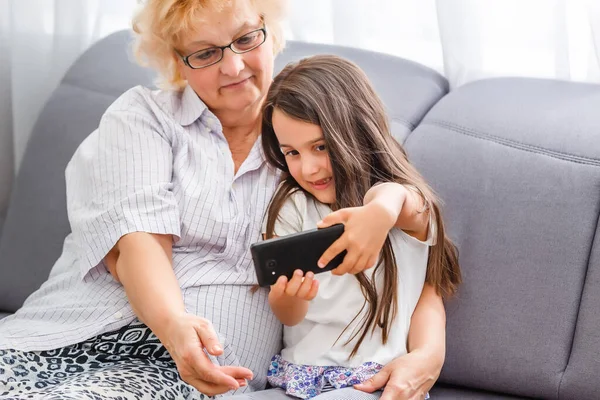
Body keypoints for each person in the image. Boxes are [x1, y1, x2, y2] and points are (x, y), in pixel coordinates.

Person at [0, 1, 449, 399]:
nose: (232, 67)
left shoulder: (325, 130)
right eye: (205, 52)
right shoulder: (143, 117)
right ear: (178, 62)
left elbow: (410, 257)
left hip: (193, 373)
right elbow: (136, 242)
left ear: (269, 31)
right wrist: (176, 328)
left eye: (244, 39)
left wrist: (428, 355)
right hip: (69, 330)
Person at [220, 55, 461, 400]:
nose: (310, 168)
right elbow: (288, 316)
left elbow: (402, 199)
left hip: (371, 383)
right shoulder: (292, 204)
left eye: (320, 146)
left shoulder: (402, 205)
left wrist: (379, 212)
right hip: (297, 379)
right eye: (292, 153)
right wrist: (289, 297)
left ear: (357, 129)